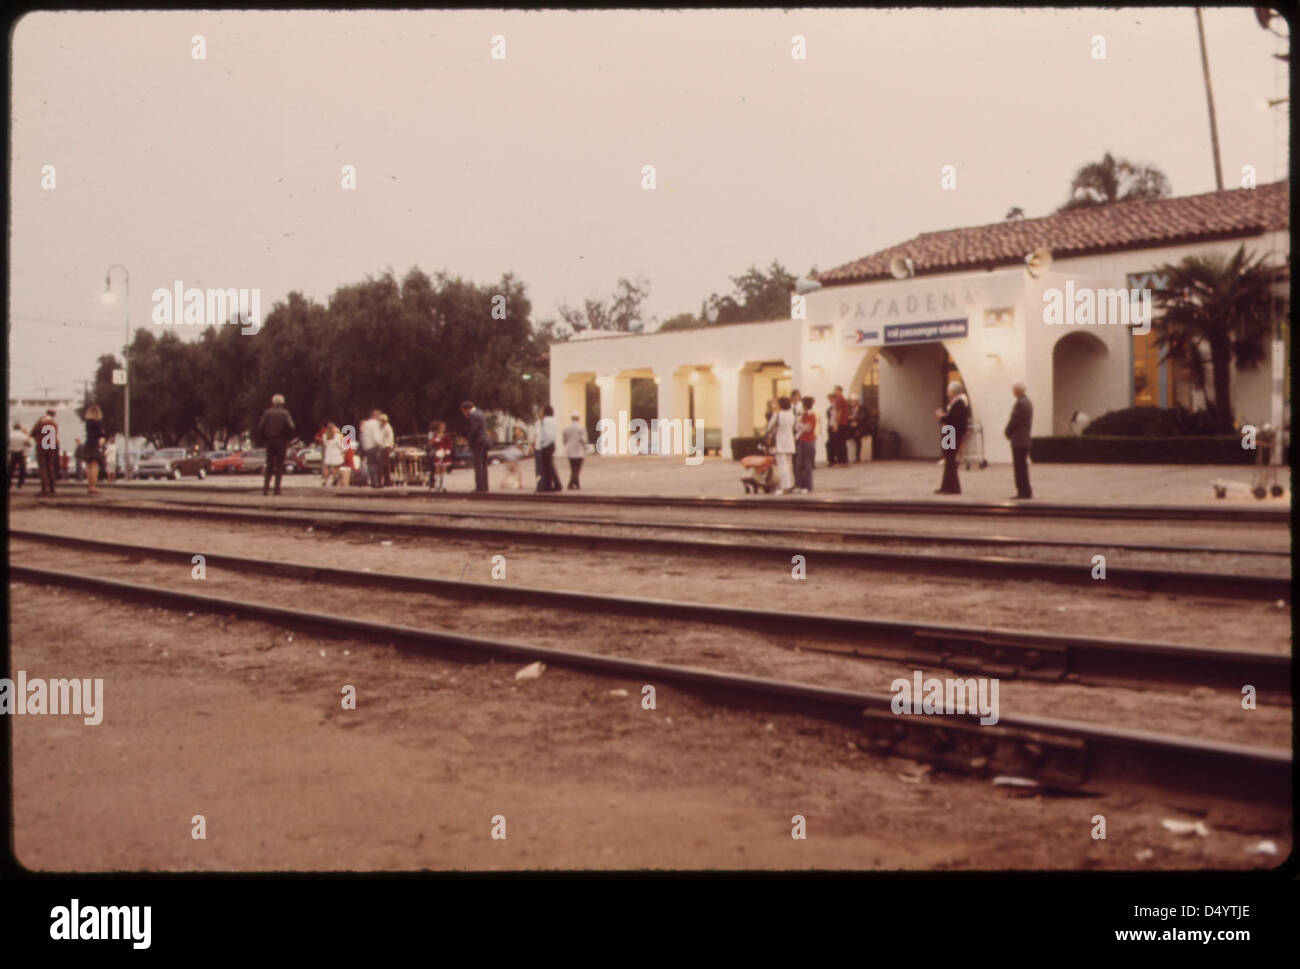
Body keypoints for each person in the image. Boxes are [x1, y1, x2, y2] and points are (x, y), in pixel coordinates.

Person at [257, 393, 296, 496]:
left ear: (273, 402)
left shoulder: (267, 413)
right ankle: (277, 489)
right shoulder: (285, 413)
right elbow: (292, 426)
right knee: (279, 465)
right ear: (282, 402)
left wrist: (264, 437)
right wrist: (288, 437)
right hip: (281, 441)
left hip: (270, 441)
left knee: (269, 465)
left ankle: (265, 489)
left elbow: (260, 426)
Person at [935, 380, 970, 495]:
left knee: (950, 461)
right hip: (949, 434)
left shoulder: (958, 404)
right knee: (948, 461)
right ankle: (946, 486)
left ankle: (953, 488)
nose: (948, 393)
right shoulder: (956, 403)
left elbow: (953, 420)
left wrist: (942, 416)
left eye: (949, 390)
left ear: (953, 391)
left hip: (952, 434)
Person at [1004, 382, 1034, 500]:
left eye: (1014, 390)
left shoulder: (1020, 403)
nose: (1013, 392)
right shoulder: (1028, 402)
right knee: (1022, 466)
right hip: (1024, 438)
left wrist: (1007, 431)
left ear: (1019, 391)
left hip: (1019, 439)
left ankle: (1023, 491)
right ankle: (1025, 490)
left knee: (1019, 467)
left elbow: (1014, 420)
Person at [767, 396, 796, 494]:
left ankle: (785, 487)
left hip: (780, 441)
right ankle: (790, 485)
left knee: (782, 465)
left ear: (780, 404)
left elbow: (769, 427)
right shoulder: (792, 415)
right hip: (790, 441)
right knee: (789, 465)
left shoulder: (777, 415)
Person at [461, 400, 490, 492]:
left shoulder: (473, 415)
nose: (464, 414)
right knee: (483, 465)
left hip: (478, 442)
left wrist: (469, 440)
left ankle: (479, 488)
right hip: (484, 441)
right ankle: (485, 486)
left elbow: (474, 429)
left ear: (466, 409)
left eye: (463, 411)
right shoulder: (481, 413)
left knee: (478, 465)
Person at [31, 410, 59, 497]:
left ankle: (44, 489)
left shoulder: (40, 422)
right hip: (51, 446)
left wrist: (37, 439)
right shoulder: (54, 424)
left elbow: (32, 433)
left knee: (43, 468)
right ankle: (52, 488)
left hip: (42, 445)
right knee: (50, 467)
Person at [794, 395, 817, 493]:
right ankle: (799, 485)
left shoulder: (811, 415)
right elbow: (797, 426)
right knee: (799, 464)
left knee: (807, 464)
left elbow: (808, 428)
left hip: (809, 441)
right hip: (801, 440)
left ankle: (808, 486)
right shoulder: (803, 415)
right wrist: (800, 425)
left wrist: (800, 426)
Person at [536, 405, 561, 492]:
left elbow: (546, 434)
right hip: (552, 444)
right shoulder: (554, 421)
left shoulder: (545, 421)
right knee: (550, 466)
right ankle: (557, 484)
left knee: (546, 467)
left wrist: (544, 444)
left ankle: (548, 486)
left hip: (546, 445)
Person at [83, 404, 106, 495]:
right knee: (94, 466)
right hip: (94, 444)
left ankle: (90, 486)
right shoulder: (97, 423)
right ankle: (93, 487)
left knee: (88, 466)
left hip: (87, 444)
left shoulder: (87, 422)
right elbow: (102, 436)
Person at [562, 411, 588, 490]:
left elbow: (564, 439)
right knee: (577, 469)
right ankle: (575, 484)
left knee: (573, 468)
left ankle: (573, 484)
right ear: (578, 418)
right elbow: (583, 439)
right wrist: (585, 447)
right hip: (579, 451)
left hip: (570, 451)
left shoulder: (567, 427)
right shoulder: (581, 427)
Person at [427, 420, 453, 492]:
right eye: (441, 427)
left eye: (443, 427)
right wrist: (436, 440)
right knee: (437, 470)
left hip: (445, 454)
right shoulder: (434, 435)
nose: (442, 428)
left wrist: (447, 451)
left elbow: (450, 444)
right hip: (437, 454)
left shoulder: (446, 435)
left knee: (444, 469)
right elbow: (432, 444)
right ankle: (437, 485)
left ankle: (444, 485)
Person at [359, 410, 383, 487]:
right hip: (374, 446)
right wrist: (380, 444)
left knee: (370, 465)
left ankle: (372, 481)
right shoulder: (375, 424)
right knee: (377, 465)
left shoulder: (366, 424)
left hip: (367, 446)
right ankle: (377, 482)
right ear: (376, 416)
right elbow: (375, 435)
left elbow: (362, 435)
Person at [8, 422, 30, 490]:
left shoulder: (10, 435)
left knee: (11, 470)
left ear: (13, 428)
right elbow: (28, 444)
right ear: (20, 428)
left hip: (12, 453)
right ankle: (20, 483)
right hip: (21, 454)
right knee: (22, 469)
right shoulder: (22, 435)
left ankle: (8, 483)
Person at [378, 414, 395, 487]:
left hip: (385, 447)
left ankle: (381, 481)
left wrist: (390, 447)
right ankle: (387, 481)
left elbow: (391, 438)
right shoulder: (382, 428)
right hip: (383, 447)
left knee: (382, 465)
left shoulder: (387, 428)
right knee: (386, 465)